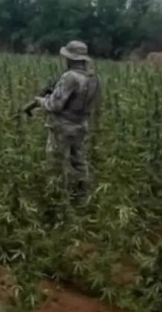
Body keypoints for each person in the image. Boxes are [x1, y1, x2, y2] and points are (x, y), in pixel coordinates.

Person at [35, 40, 100, 203]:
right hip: (81, 125)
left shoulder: (70, 77)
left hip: (62, 127)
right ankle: (81, 197)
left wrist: (41, 101)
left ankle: (57, 199)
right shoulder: (93, 78)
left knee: (56, 162)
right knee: (78, 161)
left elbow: (55, 105)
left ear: (70, 58)